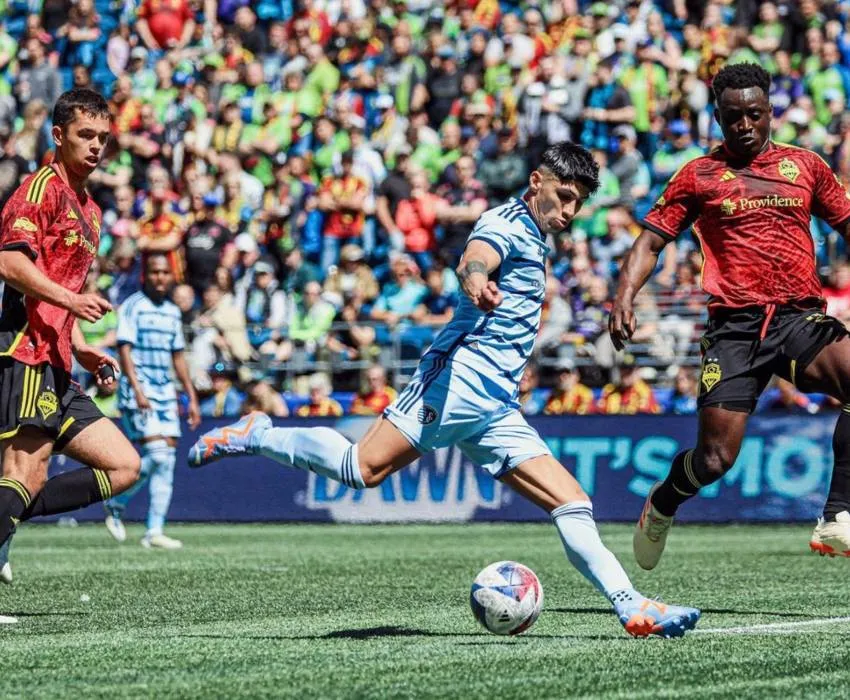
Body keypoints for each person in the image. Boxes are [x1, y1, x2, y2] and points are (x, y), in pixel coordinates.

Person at [190, 142, 700, 638]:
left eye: (579, 203)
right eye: (564, 196)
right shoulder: (504, 223)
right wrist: (475, 281)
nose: (571, 210)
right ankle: (258, 433)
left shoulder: (536, 235)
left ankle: (632, 606)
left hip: (495, 404)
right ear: (536, 182)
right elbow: (474, 258)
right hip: (456, 380)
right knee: (359, 470)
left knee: (571, 502)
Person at [610, 63, 850, 569]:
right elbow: (651, 241)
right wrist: (625, 294)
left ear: (770, 114)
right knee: (715, 460)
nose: (744, 126)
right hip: (733, 330)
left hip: (797, 318)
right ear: (717, 118)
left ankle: (837, 515)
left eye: (754, 115)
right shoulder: (698, 176)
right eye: (732, 117)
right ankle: (663, 501)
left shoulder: (805, 167)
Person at [0, 89, 142, 589]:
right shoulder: (40, 189)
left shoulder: (91, 211)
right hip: (26, 350)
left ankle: (5, 518)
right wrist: (69, 302)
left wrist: (80, 344)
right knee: (25, 473)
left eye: (104, 137)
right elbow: (10, 263)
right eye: (86, 135)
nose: (96, 145)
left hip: (59, 359)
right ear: (58, 136)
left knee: (124, 465)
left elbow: (65, 287)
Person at [103, 253, 200, 550]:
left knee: (167, 462)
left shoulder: (172, 311)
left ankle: (154, 531)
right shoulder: (133, 306)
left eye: (164, 273)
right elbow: (125, 350)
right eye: (154, 273)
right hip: (140, 391)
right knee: (157, 454)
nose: (160, 278)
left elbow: (178, 356)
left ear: (171, 277)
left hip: (165, 392)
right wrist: (137, 389)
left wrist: (191, 395)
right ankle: (116, 502)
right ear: (146, 275)